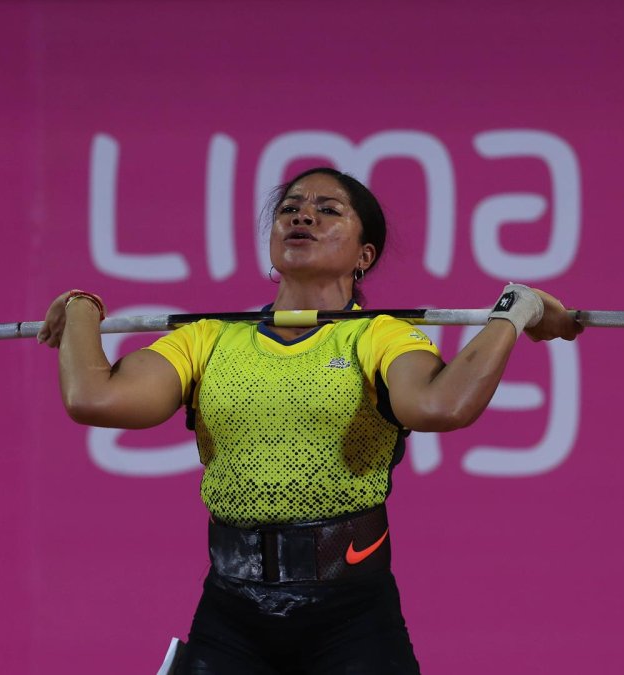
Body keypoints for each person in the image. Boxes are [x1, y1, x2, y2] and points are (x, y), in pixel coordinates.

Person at [37, 167, 583, 674]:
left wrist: (516, 310)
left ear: (364, 255)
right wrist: (82, 307)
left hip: (351, 617)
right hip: (231, 612)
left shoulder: (380, 336)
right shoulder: (207, 339)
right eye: (291, 208)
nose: (303, 216)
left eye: (328, 210)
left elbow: (443, 406)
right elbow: (94, 398)